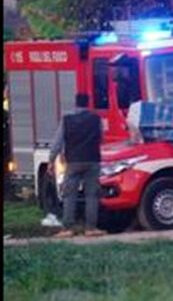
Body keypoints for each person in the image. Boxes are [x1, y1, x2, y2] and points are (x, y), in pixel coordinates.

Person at [49, 93, 105, 237]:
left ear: (76, 104)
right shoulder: (96, 119)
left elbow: (57, 142)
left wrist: (51, 160)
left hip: (73, 161)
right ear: (88, 103)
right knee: (91, 195)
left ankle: (67, 228)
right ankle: (91, 228)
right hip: (92, 161)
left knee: (69, 195)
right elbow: (101, 138)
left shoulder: (67, 120)